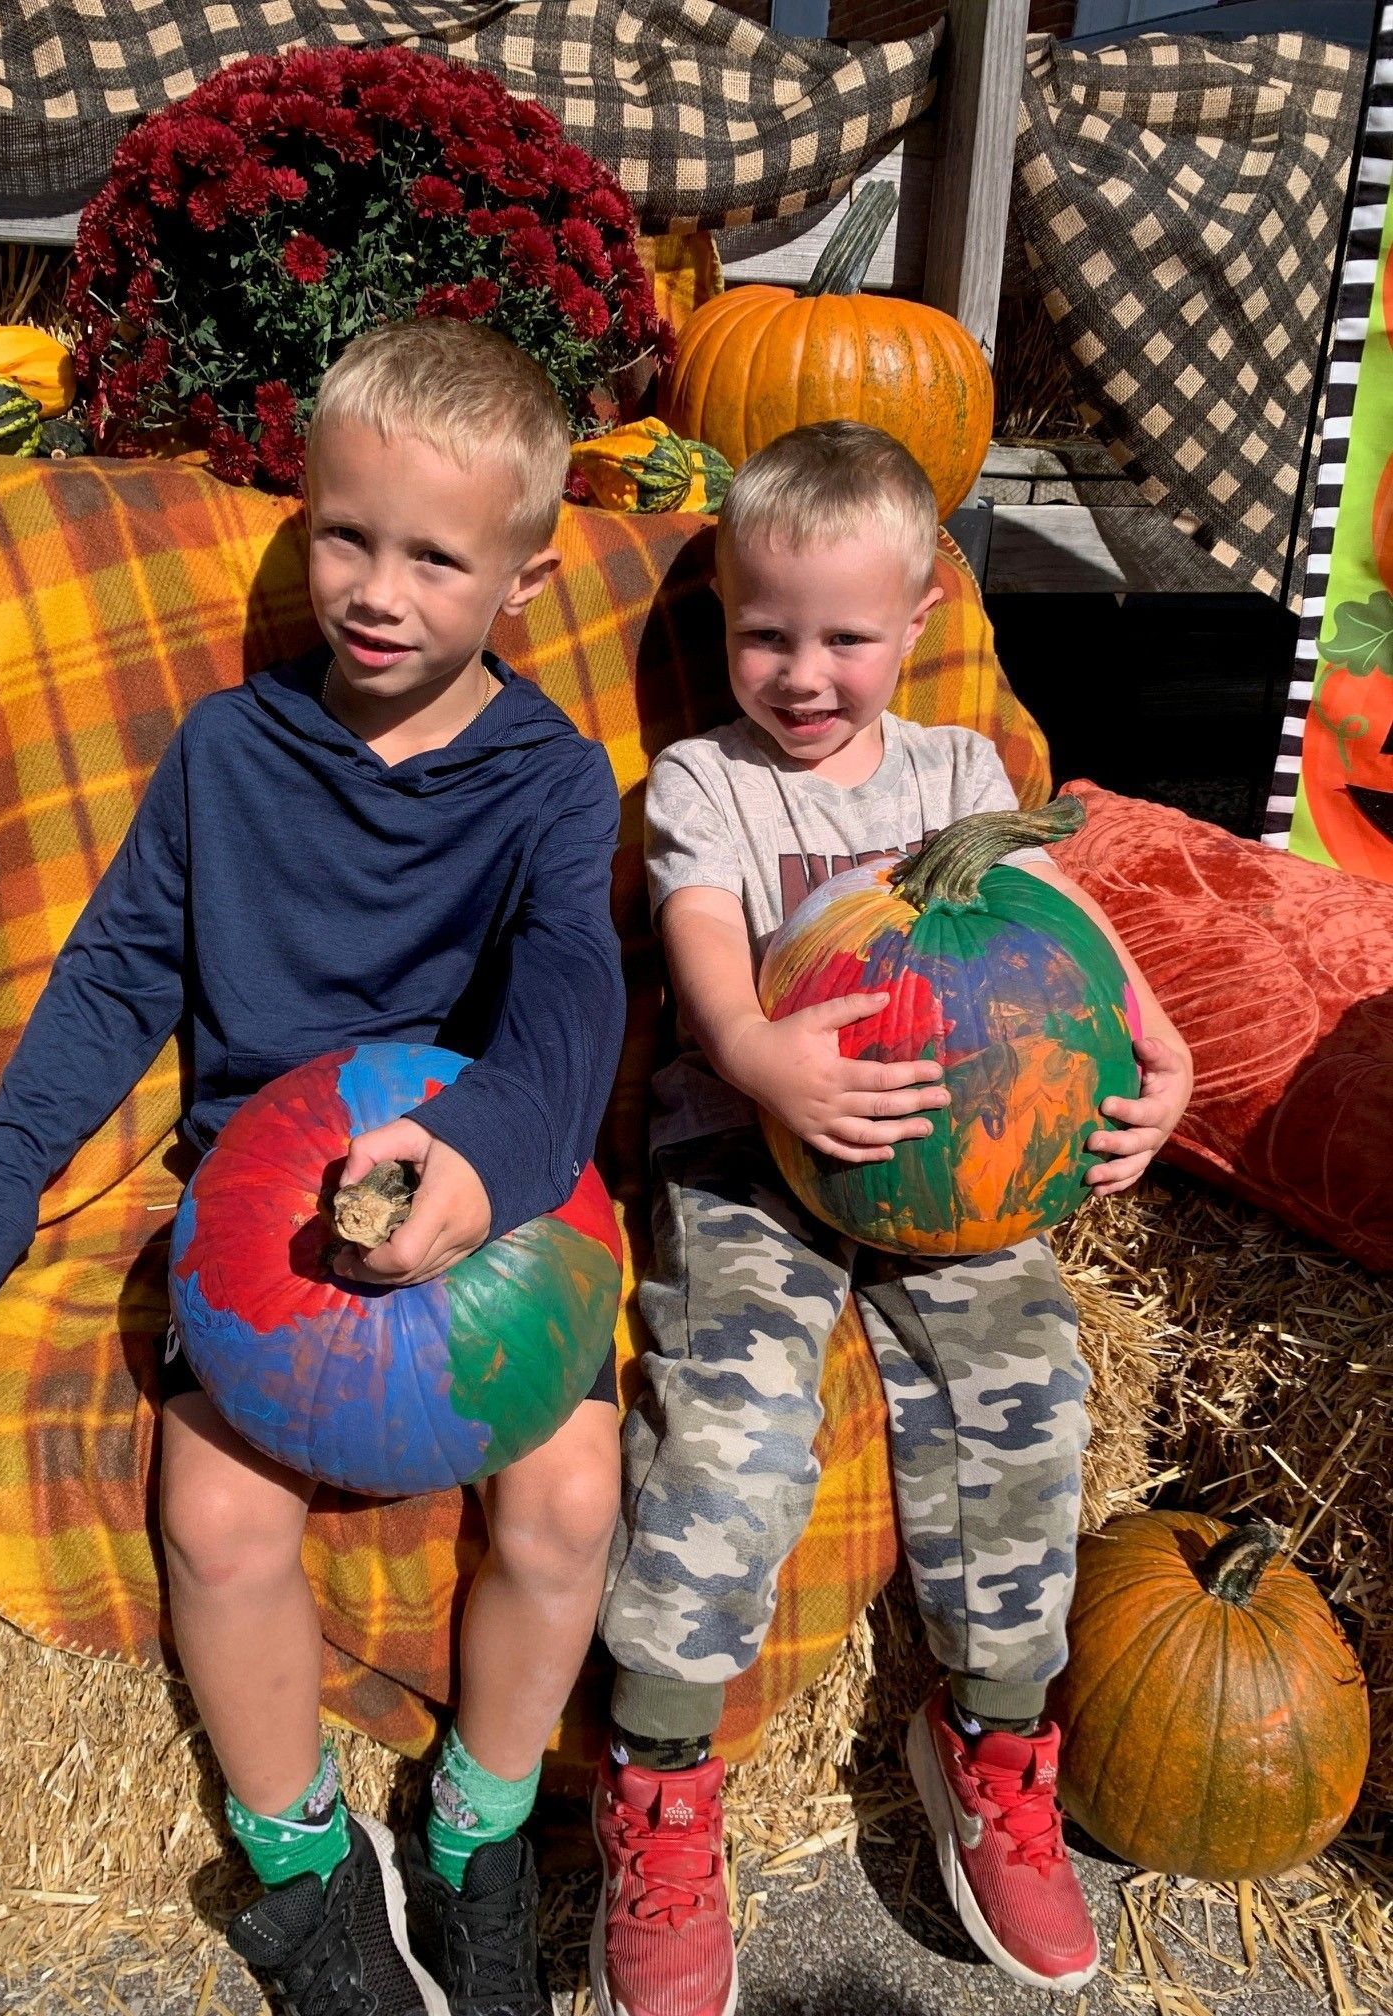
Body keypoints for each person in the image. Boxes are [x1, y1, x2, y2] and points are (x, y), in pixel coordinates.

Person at [0, 319, 627, 2016]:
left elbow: (575, 1002)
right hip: (261, 1204)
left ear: (523, 575)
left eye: (436, 556)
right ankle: (300, 1864)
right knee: (216, 1524)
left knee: (572, 1496)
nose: (377, 586)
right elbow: (116, 981)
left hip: (485, 1193)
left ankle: (480, 1828)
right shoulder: (228, 754)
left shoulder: (553, 784)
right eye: (345, 533)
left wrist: (486, 1158)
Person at [592, 420, 1194, 2014]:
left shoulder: (956, 773)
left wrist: (1157, 1039)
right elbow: (706, 932)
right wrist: (751, 1053)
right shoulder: (707, 783)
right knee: (728, 1418)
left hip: (961, 1173)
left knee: (1032, 1398)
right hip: (749, 1159)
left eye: (845, 637)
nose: (800, 672)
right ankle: (659, 1777)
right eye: (762, 631)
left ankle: (993, 1735)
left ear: (922, 620)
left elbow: (1060, 913)